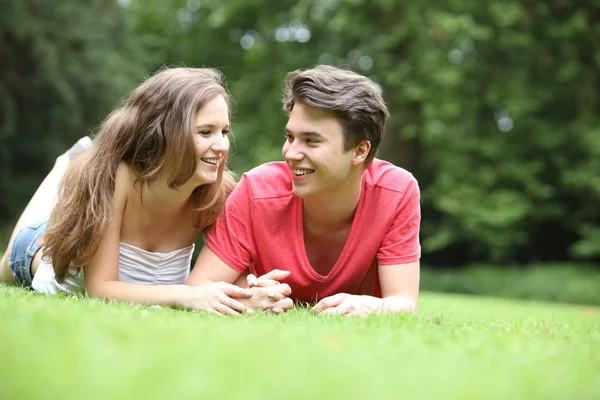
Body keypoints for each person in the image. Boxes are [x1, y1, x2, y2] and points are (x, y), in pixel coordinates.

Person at [0, 67, 292, 315]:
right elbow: (99, 289)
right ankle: (68, 163)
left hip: (84, 212)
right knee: (9, 263)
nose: (221, 146)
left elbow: (229, 274)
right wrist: (185, 296)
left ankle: (74, 161)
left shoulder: (216, 195)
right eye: (205, 132)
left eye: (224, 132)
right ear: (167, 132)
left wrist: (254, 290)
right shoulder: (118, 179)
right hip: (37, 252)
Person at [187, 65, 421, 316]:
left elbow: (404, 302)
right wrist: (246, 296)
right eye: (290, 137)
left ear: (360, 151)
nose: (291, 153)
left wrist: (370, 306)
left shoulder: (396, 192)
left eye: (311, 140)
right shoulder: (257, 191)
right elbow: (198, 288)